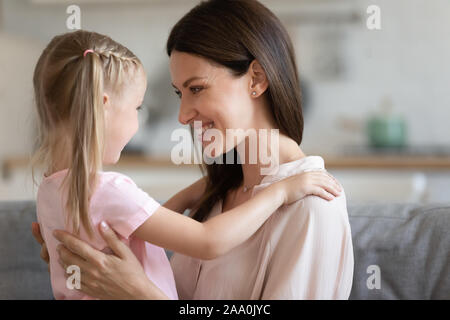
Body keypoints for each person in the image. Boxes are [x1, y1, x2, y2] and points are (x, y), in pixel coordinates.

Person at [31, 29, 341, 299]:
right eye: (179, 93)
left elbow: (142, 221)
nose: (181, 117)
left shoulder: (50, 187)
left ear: (256, 80)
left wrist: (140, 293)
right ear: (104, 106)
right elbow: (206, 241)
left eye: (196, 88)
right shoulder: (109, 188)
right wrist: (278, 192)